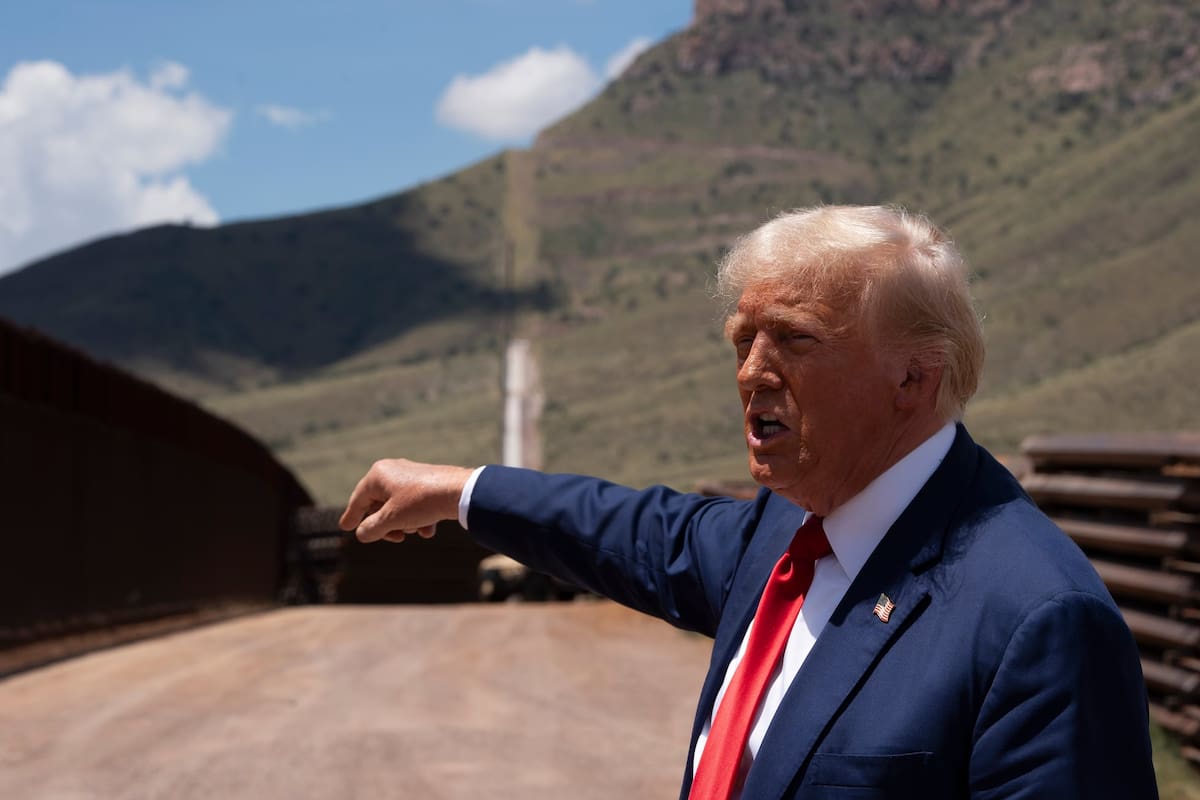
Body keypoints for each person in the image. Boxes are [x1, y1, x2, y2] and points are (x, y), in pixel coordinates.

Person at [340, 205, 1157, 799]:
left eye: (795, 340)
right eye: (742, 340)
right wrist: (463, 491)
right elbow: (634, 533)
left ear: (914, 376)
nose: (751, 373)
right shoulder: (789, 532)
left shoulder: (1036, 619)